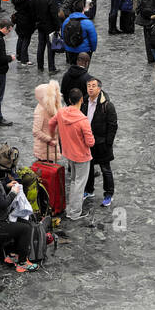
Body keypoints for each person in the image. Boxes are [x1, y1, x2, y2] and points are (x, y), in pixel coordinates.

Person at [48, 87, 95, 221]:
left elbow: (51, 124)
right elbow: (90, 142)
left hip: (68, 153)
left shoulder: (61, 112)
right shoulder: (82, 120)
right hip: (81, 156)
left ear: (69, 100)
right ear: (81, 100)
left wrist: (58, 135)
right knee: (79, 184)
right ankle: (74, 213)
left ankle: (71, 209)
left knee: (74, 181)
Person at [80, 76, 119, 207]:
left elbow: (113, 125)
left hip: (102, 144)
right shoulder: (84, 102)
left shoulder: (107, 106)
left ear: (99, 88)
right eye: (88, 86)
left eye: (93, 86)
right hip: (87, 143)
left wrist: (108, 142)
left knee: (105, 169)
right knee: (89, 168)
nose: (90, 88)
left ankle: (108, 194)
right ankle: (89, 190)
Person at [32, 0, 60, 73]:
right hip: (50, 26)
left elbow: (33, 12)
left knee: (41, 46)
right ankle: (51, 68)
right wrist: (57, 27)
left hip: (40, 25)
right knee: (50, 47)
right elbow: (54, 14)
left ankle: (40, 66)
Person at [59, 2, 98, 67]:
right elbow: (93, 38)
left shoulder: (66, 21)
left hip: (70, 50)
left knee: (72, 68)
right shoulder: (88, 22)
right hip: (84, 50)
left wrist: (66, 47)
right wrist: (93, 49)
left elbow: (63, 36)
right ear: (83, 9)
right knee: (83, 70)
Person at [0, 20, 13, 126]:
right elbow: (1, 58)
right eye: (9, 31)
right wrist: (10, 58)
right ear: (5, 28)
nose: (8, 33)